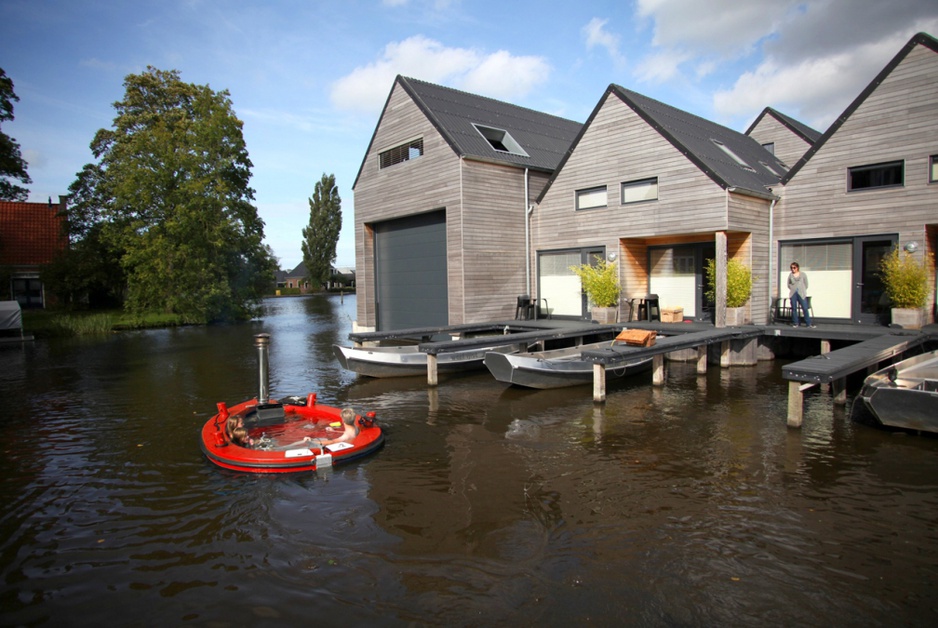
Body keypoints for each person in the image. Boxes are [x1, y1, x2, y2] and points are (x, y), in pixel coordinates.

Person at [787, 262, 815, 328]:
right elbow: (788, 284)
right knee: (794, 308)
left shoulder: (803, 274)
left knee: (805, 308)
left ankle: (808, 323)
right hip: (793, 293)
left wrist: (803, 289)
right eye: (791, 268)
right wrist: (792, 288)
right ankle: (795, 323)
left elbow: (806, 284)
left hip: (801, 293)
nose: (793, 269)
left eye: (794, 267)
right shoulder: (790, 275)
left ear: (797, 268)